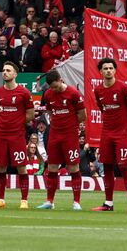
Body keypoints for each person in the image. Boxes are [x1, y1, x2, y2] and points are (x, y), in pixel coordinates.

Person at [91, 57, 127, 212]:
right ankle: (108, 203)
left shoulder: (123, 88)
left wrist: (124, 124)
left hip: (121, 134)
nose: (108, 71)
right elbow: (101, 108)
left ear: (115, 70)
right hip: (106, 134)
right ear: (101, 71)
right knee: (107, 166)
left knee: (124, 166)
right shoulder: (98, 90)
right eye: (105, 68)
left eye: (111, 68)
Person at [38, 69, 85, 210]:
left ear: (60, 80)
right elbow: (50, 111)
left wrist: (70, 125)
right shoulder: (48, 94)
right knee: (52, 167)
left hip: (70, 135)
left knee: (73, 167)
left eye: (55, 86)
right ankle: (49, 201)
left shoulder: (73, 94)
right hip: (54, 134)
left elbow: (82, 115)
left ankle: (76, 202)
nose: (54, 89)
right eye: (51, 87)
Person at [0, 61, 32, 210]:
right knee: (0, 166)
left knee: (21, 167)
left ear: (15, 74)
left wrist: (17, 123)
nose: (5, 72)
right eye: (3, 70)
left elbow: (30, 114)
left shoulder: (24, 93)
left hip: (17, 135)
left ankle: (24, 200)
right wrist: (6, 122)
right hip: (2, 134)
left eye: (8, 70)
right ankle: (0, 199)